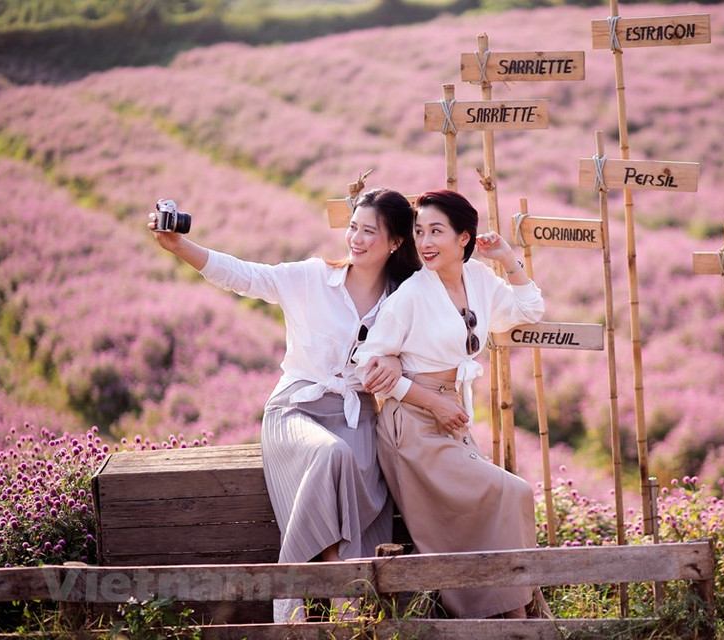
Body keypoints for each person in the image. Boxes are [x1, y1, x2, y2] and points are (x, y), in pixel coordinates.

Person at [147, 189, 421, 623]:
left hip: (357, 414)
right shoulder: (313, 278)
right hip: (297, 408)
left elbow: (436, 348)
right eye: (353, 227)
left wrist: (395, 361)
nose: (356, 238)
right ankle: (322, 592)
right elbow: (244, 276)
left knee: (355, 474)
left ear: (396, 242)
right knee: (331, 455)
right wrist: (180, 246)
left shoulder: (404, 298)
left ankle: (343, 604)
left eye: (369, 231)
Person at [353, 189, 549, 619]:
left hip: (451, 417)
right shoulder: (411, 294)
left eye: (436, 231)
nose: (425, 242)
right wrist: (429, 400)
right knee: (511, 491)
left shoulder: (478, 278)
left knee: (494, 508)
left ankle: (513, 614)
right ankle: (515, 614)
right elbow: (367, 366)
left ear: (464, 237)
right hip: (412, 428)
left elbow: (530, 308)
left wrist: (506, 257)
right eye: (420, 231)